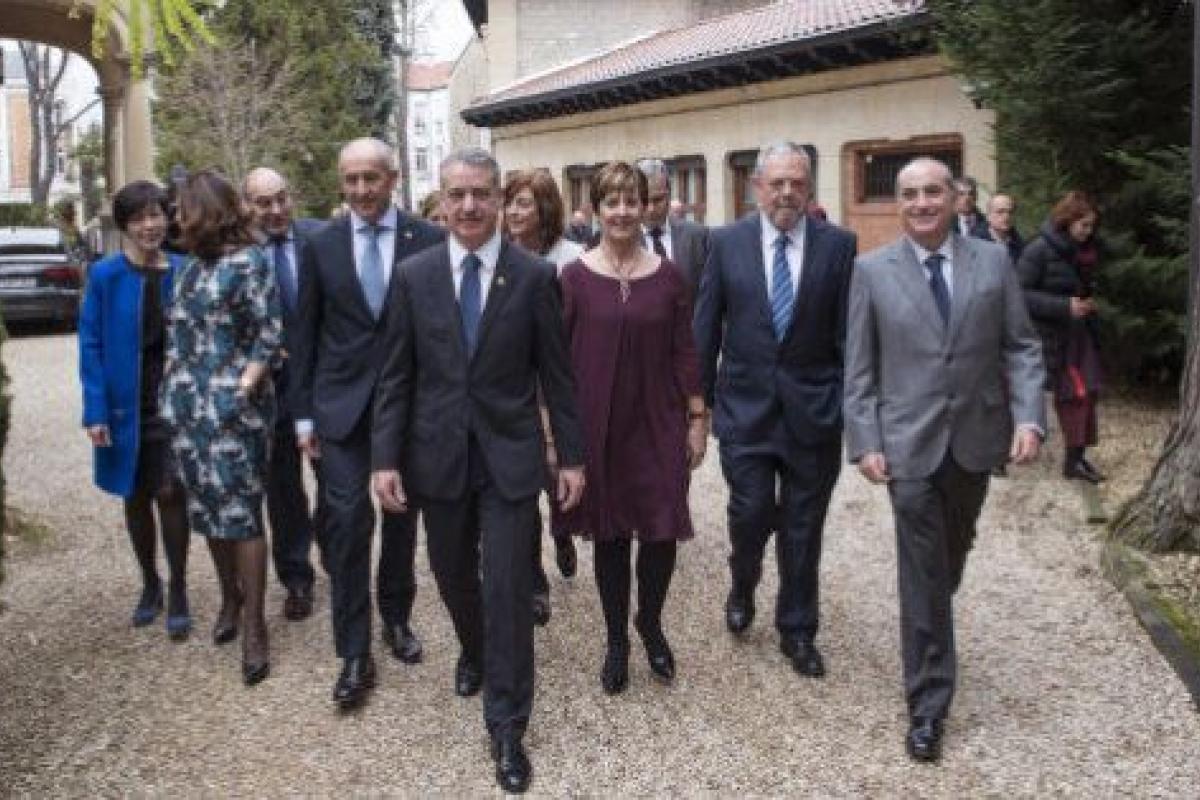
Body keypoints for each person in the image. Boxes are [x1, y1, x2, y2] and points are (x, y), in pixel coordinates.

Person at [371, 147, 585, 794]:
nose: (469, 206)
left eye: (481, 194)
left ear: (497, 199)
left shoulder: (534, 277)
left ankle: (507, 724)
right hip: (437, 455)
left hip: (510, 456)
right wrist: (384, 458)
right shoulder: (413, 277)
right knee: (452, 574)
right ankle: (474, 647)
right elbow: (396, 376)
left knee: (509, 587)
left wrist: (571, 456)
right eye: (457, 194)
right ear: (441, 200)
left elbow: (558, 376)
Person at [844, 157, 1045, 762]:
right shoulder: (871, 271)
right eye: (910, 194)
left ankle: (936, 602)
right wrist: (866, 440)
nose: (922, 203)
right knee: (922, 572)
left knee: (950, 555)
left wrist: (1030, 417)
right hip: (907, 445)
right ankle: (928, 705)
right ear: (897, 203)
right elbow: (859, 370)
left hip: (976, 441)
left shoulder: (993, 262)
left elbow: (1021, 346)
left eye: (933, 192)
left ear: (956, 197)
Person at [291, 138, 444, 709]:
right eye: (351, 179)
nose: (360, 190)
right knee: (349, 523)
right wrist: (303, 415)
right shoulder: (321, 244)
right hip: (341, 410)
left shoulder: (428, 239)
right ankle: (354, 651)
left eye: (371, 178)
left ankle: (397, 617)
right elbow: (304, 330)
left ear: (393, 179)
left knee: (401, 517)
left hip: (409, 407)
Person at [694, 142, 857, 679]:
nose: (787, 192)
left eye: (797, 183)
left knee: (804, 526)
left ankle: (798, 629)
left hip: (814, 412)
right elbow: (705, 328)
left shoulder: (839, 246)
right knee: (751, 512)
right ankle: (743, 582)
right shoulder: (726, 243)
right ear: (757, 187)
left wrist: (844, 402)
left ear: (809, 187)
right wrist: (697, 407)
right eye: (777, 183)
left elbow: (848, 334)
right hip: (746, 410)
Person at [559, 161, 705, 695]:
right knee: (612, 536)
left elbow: (685, 350)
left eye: (631, 201)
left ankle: (650, 621)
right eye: (612, 201)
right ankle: (617, 639)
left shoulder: (669, 277)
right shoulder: (573, 278)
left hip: (659, 421)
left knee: (662, 530)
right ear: (595, 209)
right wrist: (556, 435)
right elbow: (556, 362)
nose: (622, 211)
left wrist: (697, 418)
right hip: (599, 426)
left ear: (645, 207)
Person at [162, 169, 283, 685]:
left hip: (236, 412)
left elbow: (268, 333)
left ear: (205, 210)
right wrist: (171, 398)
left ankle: (255, 624)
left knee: (242, 513)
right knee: (207, 509)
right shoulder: (189, 268)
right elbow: (178, 339)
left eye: (181, 208)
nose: (175, 216)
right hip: (188, 410)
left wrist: (242, 387)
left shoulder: (249, 261)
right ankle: (229, 598)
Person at [79, 180, 191, 639]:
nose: (150, 225)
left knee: (171, 491)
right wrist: (95, 410)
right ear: (125, 226)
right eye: (139, 218)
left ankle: (179, 586)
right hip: (126, 404)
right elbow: (91, 343)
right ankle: (150, 582)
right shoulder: (105, 275)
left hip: (174, 404)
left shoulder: (184, 269)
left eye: (156, 214)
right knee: (136, 493)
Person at [242, 167, 326, 619]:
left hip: (321, 384)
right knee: (283, 490)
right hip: (268, 391)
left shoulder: (322, 238)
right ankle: (296, 578)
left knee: (336, 481)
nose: (276, 210)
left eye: (281, 198)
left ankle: (338, 553)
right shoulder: (238, 255)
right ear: (246, 206)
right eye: (263, 203)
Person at [502, 168, 584, 623]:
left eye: (524, 203)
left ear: (545, 208)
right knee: (523, 486)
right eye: (510, 202)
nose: (513, 212)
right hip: (514, 388)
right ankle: (534, 579)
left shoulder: (571, 260)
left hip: (558, 380)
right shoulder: (498, 256)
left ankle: (563, 532)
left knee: (557, 475)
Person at [1017, 191, 1104, 483]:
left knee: (1086, 392)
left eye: (1092, 225)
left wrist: (1086, 304)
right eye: (1084, 225)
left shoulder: (1085, 251)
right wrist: (1064, 306)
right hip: (1050, 336)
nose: (1088, 231)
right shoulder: (1038, 249)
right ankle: (1004, 453)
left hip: (1079, 333)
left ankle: (1076, 460)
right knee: (1073, 393)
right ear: (1067, 221)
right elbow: (1019, 295)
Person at [636, 158, 710, 299]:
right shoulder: (623, 241)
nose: (651, 209)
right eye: (644, 200)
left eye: (658, 200)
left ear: (669, 196)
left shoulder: (698, 237)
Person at [973, 193, 1025, 265]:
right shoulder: (975, 243)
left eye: (1010, 212)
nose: (1006, 216)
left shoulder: (1020, 245)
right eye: (1000, 212)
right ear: (988, 216)